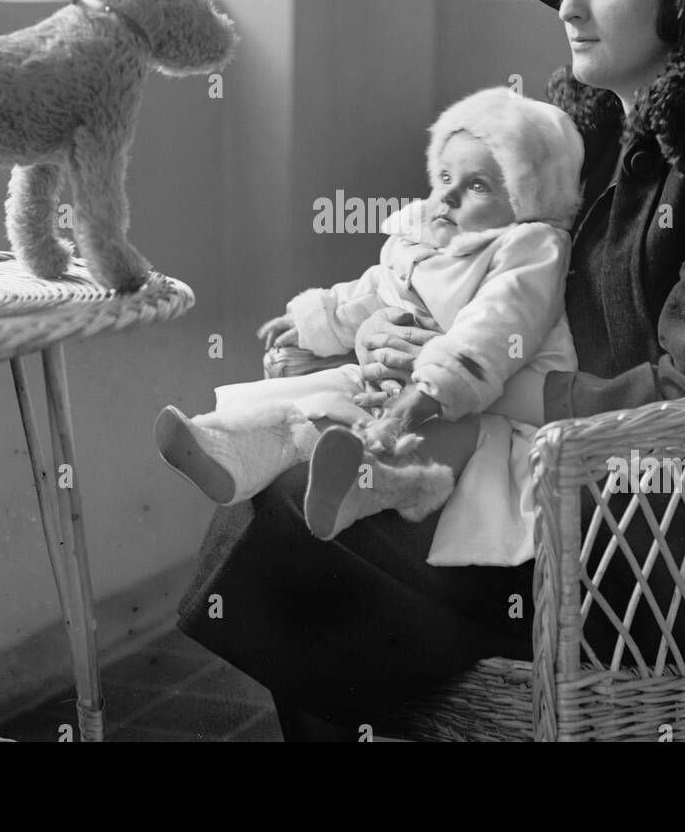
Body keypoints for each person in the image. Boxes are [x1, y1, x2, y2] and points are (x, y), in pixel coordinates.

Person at [175, 0, 685, 741]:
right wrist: (404, 326)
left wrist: (470, 379)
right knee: (289, 504)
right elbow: (486, 275)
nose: (570, 6)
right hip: (533, 477)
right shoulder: (588, 143)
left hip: (677, 542)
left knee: (301, 540)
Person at [155, 86, 583, 560]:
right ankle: (239, 450)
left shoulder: (529, 248)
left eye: (477, 185)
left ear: (528, 199)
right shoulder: (424, 236)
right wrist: (318, 323)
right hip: (398, 382)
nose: (449, 195)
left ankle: (386, 483)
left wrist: (434, 388)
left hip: (491, 402)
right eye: (444, 176)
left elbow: (497, 324)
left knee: (453, 433)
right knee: (329, 400)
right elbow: (376, 288)